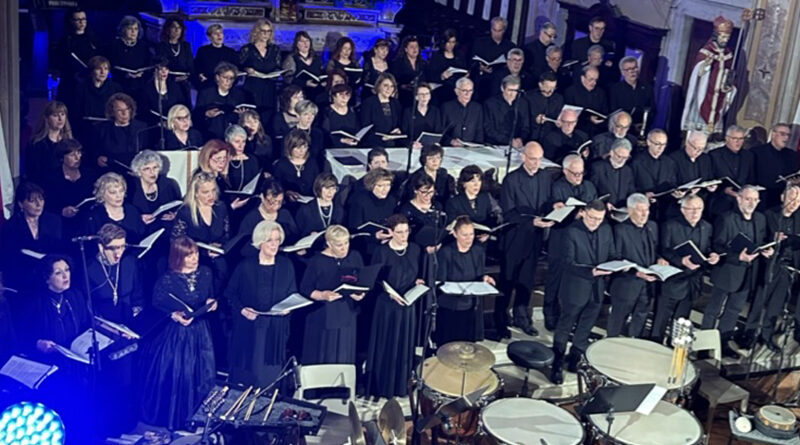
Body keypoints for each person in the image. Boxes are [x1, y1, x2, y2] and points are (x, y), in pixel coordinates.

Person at [140, 236, 217, 430]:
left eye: (196, 254)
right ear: (178, 257)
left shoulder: (206, 274)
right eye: (189, 255)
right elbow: (156, 306)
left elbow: (209, 298)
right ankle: (176, 418)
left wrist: (211, 304)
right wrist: (173, 315)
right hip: (176, 335)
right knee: (178, 374)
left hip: (199, 333)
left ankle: (199, 418)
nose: (194, 259)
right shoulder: (166, 280)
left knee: (200, 374)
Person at [550, 200, 615, 384]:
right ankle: (556, 363)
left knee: (586, 325)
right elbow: (567, 262)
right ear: (584, 213)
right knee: (565, 324)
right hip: (574, 287)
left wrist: (615, 265)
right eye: (592, 218)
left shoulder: (605, 229)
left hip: (597, 288)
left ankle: (575, 358)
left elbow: (611, 253)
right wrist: (590, 272)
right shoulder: (571, 231)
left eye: (600, 219)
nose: (595, 222)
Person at [703, 185, 772, 357]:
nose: (752, 203)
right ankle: (703, 346)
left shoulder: (761, 219)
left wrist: (766, 250)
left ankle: (723, 343)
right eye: (748, 199)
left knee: (734, 310)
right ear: (739, 199)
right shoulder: (726, 218)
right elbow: (717, 246)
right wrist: (737, 257)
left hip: (749, 273)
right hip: (727, 271)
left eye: (755, 200)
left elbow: (761, 241)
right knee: (714, 309)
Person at [227, 221, 297, 386]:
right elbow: (230, 293)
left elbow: (292, 294)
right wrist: (242, 310)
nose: (274, 245)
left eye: (277, 240)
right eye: (270, 240)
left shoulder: (286, 265)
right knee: (249, 373)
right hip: (250, 327)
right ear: (260, 242)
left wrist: (288, 308)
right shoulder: (245, 266)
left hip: (275, 328)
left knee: (269, 376)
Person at [498, 142, 554, 336]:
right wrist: (532, 222)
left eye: (539, 159)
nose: (536, 162)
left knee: (526, 280)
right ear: (523, 157)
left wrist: (554, 210)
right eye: (532, 158)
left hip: (534, 239)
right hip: (514, 238)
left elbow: (546, 202)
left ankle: (522, 317)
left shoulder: (545, 177)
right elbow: (508, 213)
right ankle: (500, 320)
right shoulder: (511, 180)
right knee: (507, 281)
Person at [737, 185, 800, 351]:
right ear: (782, 198)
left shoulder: (799, 218)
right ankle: (749, 335)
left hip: (788, 268)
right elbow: (759, 237)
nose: (795, 203)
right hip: (769, 265)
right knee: (760, 301)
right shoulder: (769, 215)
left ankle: (766, 336)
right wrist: (771, 241)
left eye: (798, 201)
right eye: (792, 199)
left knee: (776, 305)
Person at [365, 214, 422, 397]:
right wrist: (389, 292)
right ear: (390, 232)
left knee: (404, 345)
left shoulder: (414, 249)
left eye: (406, 231)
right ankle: (383, 386)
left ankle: (401, 385)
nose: (403, 236)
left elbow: (417, 273)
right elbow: (375, 279)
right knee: (386, 344)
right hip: (387, 306)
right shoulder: (381, 252)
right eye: (399, 232)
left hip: (407, 305)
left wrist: (418, 282)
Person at [652, 195, 719, 342]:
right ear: (682, 209)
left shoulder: (706, 227)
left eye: (699, 209)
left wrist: (713, 256)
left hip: (692, 282)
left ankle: (675, 348)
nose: (695, 213)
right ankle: (654, 346)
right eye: (691, 209)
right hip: (673, 280)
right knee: (660, 320)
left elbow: (707, 248)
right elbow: (664, 250)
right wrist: (681, 260)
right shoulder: (670, 225)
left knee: (681, 322)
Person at [545, 155, 598, 330]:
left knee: (575, 281)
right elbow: (555, 214)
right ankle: (550, 315)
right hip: (561, 238)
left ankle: (571, 318)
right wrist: (573, 214)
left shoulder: (588, 186)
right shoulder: (558, 187)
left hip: (582, 240)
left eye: (581, 173)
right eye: (575, 174)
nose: (578, 177)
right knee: (556, 279)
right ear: (565, 171)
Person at [300, 225, 366, 364]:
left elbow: (361, 281)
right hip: (324, 316)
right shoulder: (317, 261)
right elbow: (305, 288)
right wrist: (323, 295)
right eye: (339, 245)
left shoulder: (354, 256)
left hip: (347, 314)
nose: (344, 248)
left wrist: (359, 294)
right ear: (329, 244)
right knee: (325, 355)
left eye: (346, 243)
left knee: (344, 355)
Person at [607, 194, 664, 337]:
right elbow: (615, 258)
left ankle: (634, 343)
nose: (644, 214)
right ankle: (610, 346)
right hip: (626, 284)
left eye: (647, 210)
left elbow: (655, 249)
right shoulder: (619, 230)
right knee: (618, 320)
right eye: (640, 210)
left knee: (641, 317)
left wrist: (660, 259)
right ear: (630, 210)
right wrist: (637, 272)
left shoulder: (652, 226)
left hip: (647, 284)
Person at [436, 216, 495, 344]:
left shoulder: (478, 251)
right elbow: (440, 280)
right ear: (455, 234)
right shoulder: (446, 252)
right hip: (449, 306)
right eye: (464, 235)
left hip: (469, 305)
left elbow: (479, 275)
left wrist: (485, 278)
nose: (469, 239)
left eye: (471, 234)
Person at [172, 171, 231, 294]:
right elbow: (177, 242)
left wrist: (219, 246)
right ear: (196, 194)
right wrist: (204, 252)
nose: (211, 196)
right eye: (205, 192)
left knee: (223, 267)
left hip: (217, 257)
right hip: (195, 259)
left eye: (213, 190)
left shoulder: (220, 207)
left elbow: (226, 235)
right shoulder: (186, 212)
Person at [0, 182, 64, 293]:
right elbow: (8, 258)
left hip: (50, 277)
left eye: (41, 199)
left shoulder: (54, 221)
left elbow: (59, 249)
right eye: (32, 201)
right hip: (23, 278)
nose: (39, 204)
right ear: (21, 204)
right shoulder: (10, 227)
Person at [681, 16, 736, 132]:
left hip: (719, 97)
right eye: (723, 37)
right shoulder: (706, 51)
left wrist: (728, 84)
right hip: (704, 94)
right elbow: (697, 72)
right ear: (716, 35)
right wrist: (705, 66)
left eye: (728, 37)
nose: (725, 40)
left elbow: (729, 73)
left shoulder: (728, 54)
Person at [86, 223, 142, 324]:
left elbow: (138, 298)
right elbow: (88, 308)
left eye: (122, 247)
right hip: (103, 325)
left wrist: (134, 320)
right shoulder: (89, 269)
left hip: (129, 324)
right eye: (113, 248)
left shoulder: (130, 263)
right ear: (101, 247)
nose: (118, 253)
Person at [42, 139, 95, 236]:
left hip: (86, 222)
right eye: (72, 155)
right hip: (61, 224)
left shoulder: (89, 174)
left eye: (79, 153)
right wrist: (61, 211)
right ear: (62, 158)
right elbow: (47, 203)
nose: (77, 157)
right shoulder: (51, 177)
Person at [238, 179, 299, 256]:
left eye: (279, 202)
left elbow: (295, 237)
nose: (276, 207)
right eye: (272, 202)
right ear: (262, 198)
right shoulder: (251, 218)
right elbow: (244, 248)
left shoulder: (285, 214)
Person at [53, 9, 99, 106]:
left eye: (84, 19)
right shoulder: (65, 41)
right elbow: (59, 62)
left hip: (89, 80)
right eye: (78, 19)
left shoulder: (93, 39)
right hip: (70, 82)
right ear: (71, 21)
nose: (82, 22)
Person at [194, 62, 251, 140]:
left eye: (231, 78)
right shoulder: (206, 93)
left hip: (232, 133)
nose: (228, 81)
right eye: (225, 77)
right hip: (210, 133)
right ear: (217, 77)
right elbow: (196, 115)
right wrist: (207, 114)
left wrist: (241, 115)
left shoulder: (239, 95)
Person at [85, 172, 145, 243]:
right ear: (102, 194)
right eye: (113, 192)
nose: (118, 196)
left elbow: (142, 237)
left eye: (121, 191)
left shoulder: (132, 210)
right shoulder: (95, 216)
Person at [93, 93, 147, 171]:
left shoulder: (141, 127)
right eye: (119, 110)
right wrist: (99, 158)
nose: (124, 113)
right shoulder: (102, 129)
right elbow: (96, 152)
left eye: (127, 109)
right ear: (112, 112)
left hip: (136, 170)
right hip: (111, 169)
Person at [239, 19, 282, 117]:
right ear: (257, 32)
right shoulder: (247, 49)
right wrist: (247, 70)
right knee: (253, 115)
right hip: (253, 87)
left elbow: (278, 67)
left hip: (269, 87)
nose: (266, 34)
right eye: (263, 31)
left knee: (269, 116)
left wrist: (276, 73)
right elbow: (239, 66)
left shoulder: (275, 49)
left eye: (269, 31)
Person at [128, 150, 182, 228]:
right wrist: (138, 219)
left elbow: (179, 206)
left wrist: (175, 215)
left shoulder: (169, 184)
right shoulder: (131, 188)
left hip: (166, 230)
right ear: (138, 172)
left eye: (155, 167)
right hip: (141, 231)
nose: (152, 172)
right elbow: (126, 214)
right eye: (146, 169)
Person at [72, 55, 122, 138]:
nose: (103, 72)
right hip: (86, 129)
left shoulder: (115, 88)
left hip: (108, 130)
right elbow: (77, 111)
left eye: (106, 69)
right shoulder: (81, 88)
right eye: (99, 69)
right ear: (92, 71)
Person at [25, 101, 74, 184]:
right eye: (55, 115)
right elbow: (32, 172)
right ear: (47, 118)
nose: (60, 119)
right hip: (45, 187)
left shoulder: (70, 143)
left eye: (62, 114)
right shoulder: (36, 144)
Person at [709, 125, 755, 214]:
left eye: (741, 139)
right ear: (727, 138)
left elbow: (751, 178)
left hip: (742, 203)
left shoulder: (749, 156)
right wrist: (724, 190)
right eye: (735, 138)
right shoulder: (715, 155)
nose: (738, 142)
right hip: (720, 201)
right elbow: (709, 179)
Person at [752, 123, 798, 208]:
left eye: (788, 135)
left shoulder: (793, 155)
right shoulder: (756, 152)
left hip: (784, 198)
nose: (786, 138)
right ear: (773, 134)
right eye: (783, 134)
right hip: (762, 197)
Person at [108, 16, 152, 102]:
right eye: (130, 28)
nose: (133, 32)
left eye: (136, 29)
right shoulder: (115, 46)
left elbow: (149, 65)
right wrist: (126, 75)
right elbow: (112, 66)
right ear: (123, 29)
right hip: (121, 84)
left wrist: (142, 73)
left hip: (140, 84)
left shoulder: (143, 46)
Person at [400, 173, 448, 251]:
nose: (428, 196)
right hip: (416, 251)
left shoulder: (437, 206)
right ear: (415, 190)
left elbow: (441, 228)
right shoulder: (406, 210)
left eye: (431, 192)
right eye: (424, 192)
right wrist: (424, 249)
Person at [471, 17, 515, 101]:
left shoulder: (510, 46)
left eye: (499, 31)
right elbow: (471, 61)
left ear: (504, 30)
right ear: (491, 29)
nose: (496, 33)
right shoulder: (480, 42)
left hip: (500, 83)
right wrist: (480, 67)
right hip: (482, 82)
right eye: (494, 30)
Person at [272, 129, 321, 202]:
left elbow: (317, 184)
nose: (302, 151)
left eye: (304, 147)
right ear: (290, 147)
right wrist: (286, 193)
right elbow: (276, 186)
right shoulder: (281, 164)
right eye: (298, 148)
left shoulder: (312, 163)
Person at [140, 60, 188, 132]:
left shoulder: (175, 86)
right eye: (161, 69)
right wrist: (158, 123)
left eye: (166, 69)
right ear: (154, 70)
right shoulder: (146, 89)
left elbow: (181, 105)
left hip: (174, 124)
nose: (164, 72)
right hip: (155, 126)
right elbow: (144, 111)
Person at [482, 75, 530, 148]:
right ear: (502, 88)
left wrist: (521, 139)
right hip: (496, 145)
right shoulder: (490, 104)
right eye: (510, 90)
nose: (512, 94)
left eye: (515, 90)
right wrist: (508, 141)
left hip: (517, 145)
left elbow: (526, 126)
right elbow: (488, 129)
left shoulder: (523, 103)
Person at [154, 16, 194, 103]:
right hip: (169, 81)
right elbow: (162, 64)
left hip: (184, 82)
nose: (177, 30)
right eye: (174, 27)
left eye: (179, 28)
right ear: (168, 29)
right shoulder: (161, 46)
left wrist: (187, 76)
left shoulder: (186, 46)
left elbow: (191, 65)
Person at [631, 129, 678, 200]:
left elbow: (672, 183)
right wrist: (644, 194)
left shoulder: (669, 162)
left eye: (664, 144)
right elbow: (630, 186)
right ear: (648, 142)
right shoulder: (636, 161)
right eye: (657, 144)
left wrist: (676, 192)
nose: (661, 148)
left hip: (664, 204)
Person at [360, 73, 403, 148]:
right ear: (379, 86)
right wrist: (381, 138)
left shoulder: (395, 103)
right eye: (386, 85)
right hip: (374, 144)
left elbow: (399, 123)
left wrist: (398, 130)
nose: (389, 89)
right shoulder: (369, 103)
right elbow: (365, 127)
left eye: (392, 86)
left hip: (393, 143)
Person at [608, 56, 655, 126]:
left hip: (641, 128)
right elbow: (613, 111)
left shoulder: (648, 88)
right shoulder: (615, 89)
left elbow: (652, 110)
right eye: (629, 69)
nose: (633, 71)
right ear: (622, 72)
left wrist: (644, 124)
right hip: (621, 127)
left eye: (635, 68)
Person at [590, 138, 635, 210]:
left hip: (621, 211)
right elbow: (592, 193)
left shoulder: (627, 170)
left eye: (625, 158)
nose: (621, 160)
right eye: (619, 156)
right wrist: (604, 204)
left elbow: (631, 191)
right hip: (602, 210)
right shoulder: (597, 168)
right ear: (611, 153)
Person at [295, 173, 345, 237]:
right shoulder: (306, 209)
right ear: (319, 188)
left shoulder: (339, 209)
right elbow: (299, 233)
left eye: (333, 188)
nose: (330, 192)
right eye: (327, 188)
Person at [426, 28, 467, 104]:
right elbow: (430, 76)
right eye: (448, 42)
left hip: (456, 89)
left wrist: (466, 75)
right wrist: (442, 76)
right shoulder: (437, 56)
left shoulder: (459, 55)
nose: (451, 45)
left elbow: (464, 69)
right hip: (441, 91)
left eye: (453, 42)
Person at [564, 66, 607, 137]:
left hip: (597, 131)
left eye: (596, 80)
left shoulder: (601, 93)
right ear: (582, 78)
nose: (594, 83)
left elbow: (604, 111)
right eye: (591, 79)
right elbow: (568, 114)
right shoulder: (571, 92)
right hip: (578, 131)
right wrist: (588, 118)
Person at [193, 24, 238, 91]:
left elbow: (235, 71)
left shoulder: (231, 52)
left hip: (226, 88)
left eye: (221, 33)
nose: (219, 35)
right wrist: (200, 77)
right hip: (207, 87)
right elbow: (196, 68)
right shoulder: (203, 51)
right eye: (215, 33)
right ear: (210, 37)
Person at [441, 77, 484, 146]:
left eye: (470, 91)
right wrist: (451, 141)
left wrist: (477, 146)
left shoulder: (477, 108)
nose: (468, 94)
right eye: (464, 91)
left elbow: (479, 131)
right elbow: (441, 131)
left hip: (471, 148)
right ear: (456, 91)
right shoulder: (446, 107)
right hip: (452, 148)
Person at [283, 31, 325, 98]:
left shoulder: (316, 58)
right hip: (298, 94)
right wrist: (305, 83)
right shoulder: (292, 58)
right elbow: (287, 78)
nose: (305, 43)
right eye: (302, 41)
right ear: (297, 44)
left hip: (316, 93)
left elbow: (322, 73)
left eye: (307, 40)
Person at [527, 71, 564, 142]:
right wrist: (535, 120)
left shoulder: (559, 98)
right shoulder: (529, 97)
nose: (551, 91)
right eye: (548, 87)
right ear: (540, 85)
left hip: (552, 137)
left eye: (553, 88)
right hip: (532, 136)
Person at [391, 35, 427, 107]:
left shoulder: (424, 64)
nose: (415, 49)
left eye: (416, 46)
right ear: (406, 49)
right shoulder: (398, 63)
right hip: (404, 97)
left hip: (419, 96)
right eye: (411, 47)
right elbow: (395, 80)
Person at [225, 125, 261, 196]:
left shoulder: (252, 160)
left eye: (243, 141)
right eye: (237, 142)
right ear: (228, 142)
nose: (241, 146)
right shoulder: (223, 160)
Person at [294, 100, 325, 166]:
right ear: (298, 115)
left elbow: (320, 155)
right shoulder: (290, 134)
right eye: (306, 114)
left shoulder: (318, 133)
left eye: (312, 114)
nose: (310, 118)